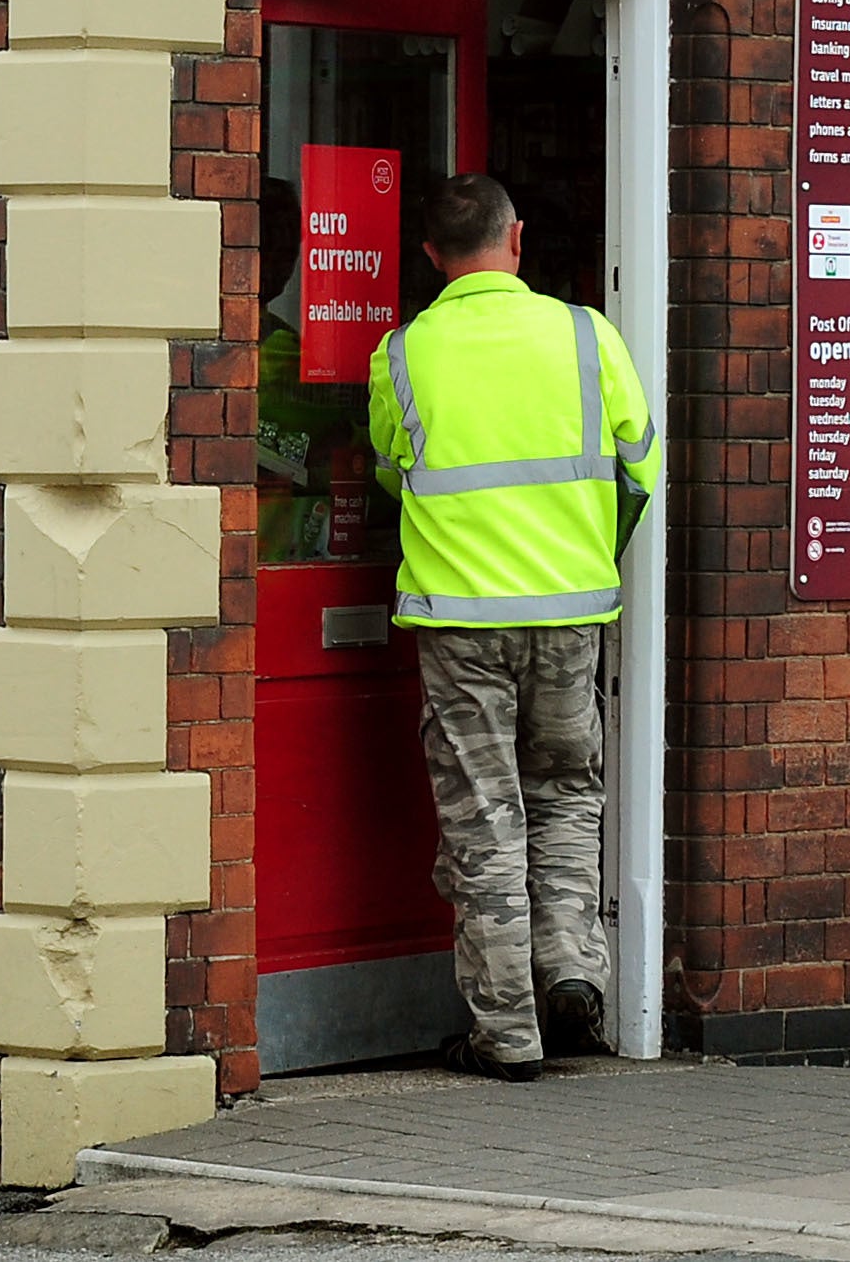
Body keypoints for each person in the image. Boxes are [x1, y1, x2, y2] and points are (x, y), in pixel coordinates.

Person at [368, 173, 661, 1082]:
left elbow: (390, 472)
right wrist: (583, 553)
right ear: (518, 239)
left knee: (484, 818)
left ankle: (507, 1034)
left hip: (459, 622)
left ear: (430, 258)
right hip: (572, 611)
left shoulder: (403, 353)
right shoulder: (587, 335)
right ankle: (573, 966)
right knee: (569, 792)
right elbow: (639, 468)